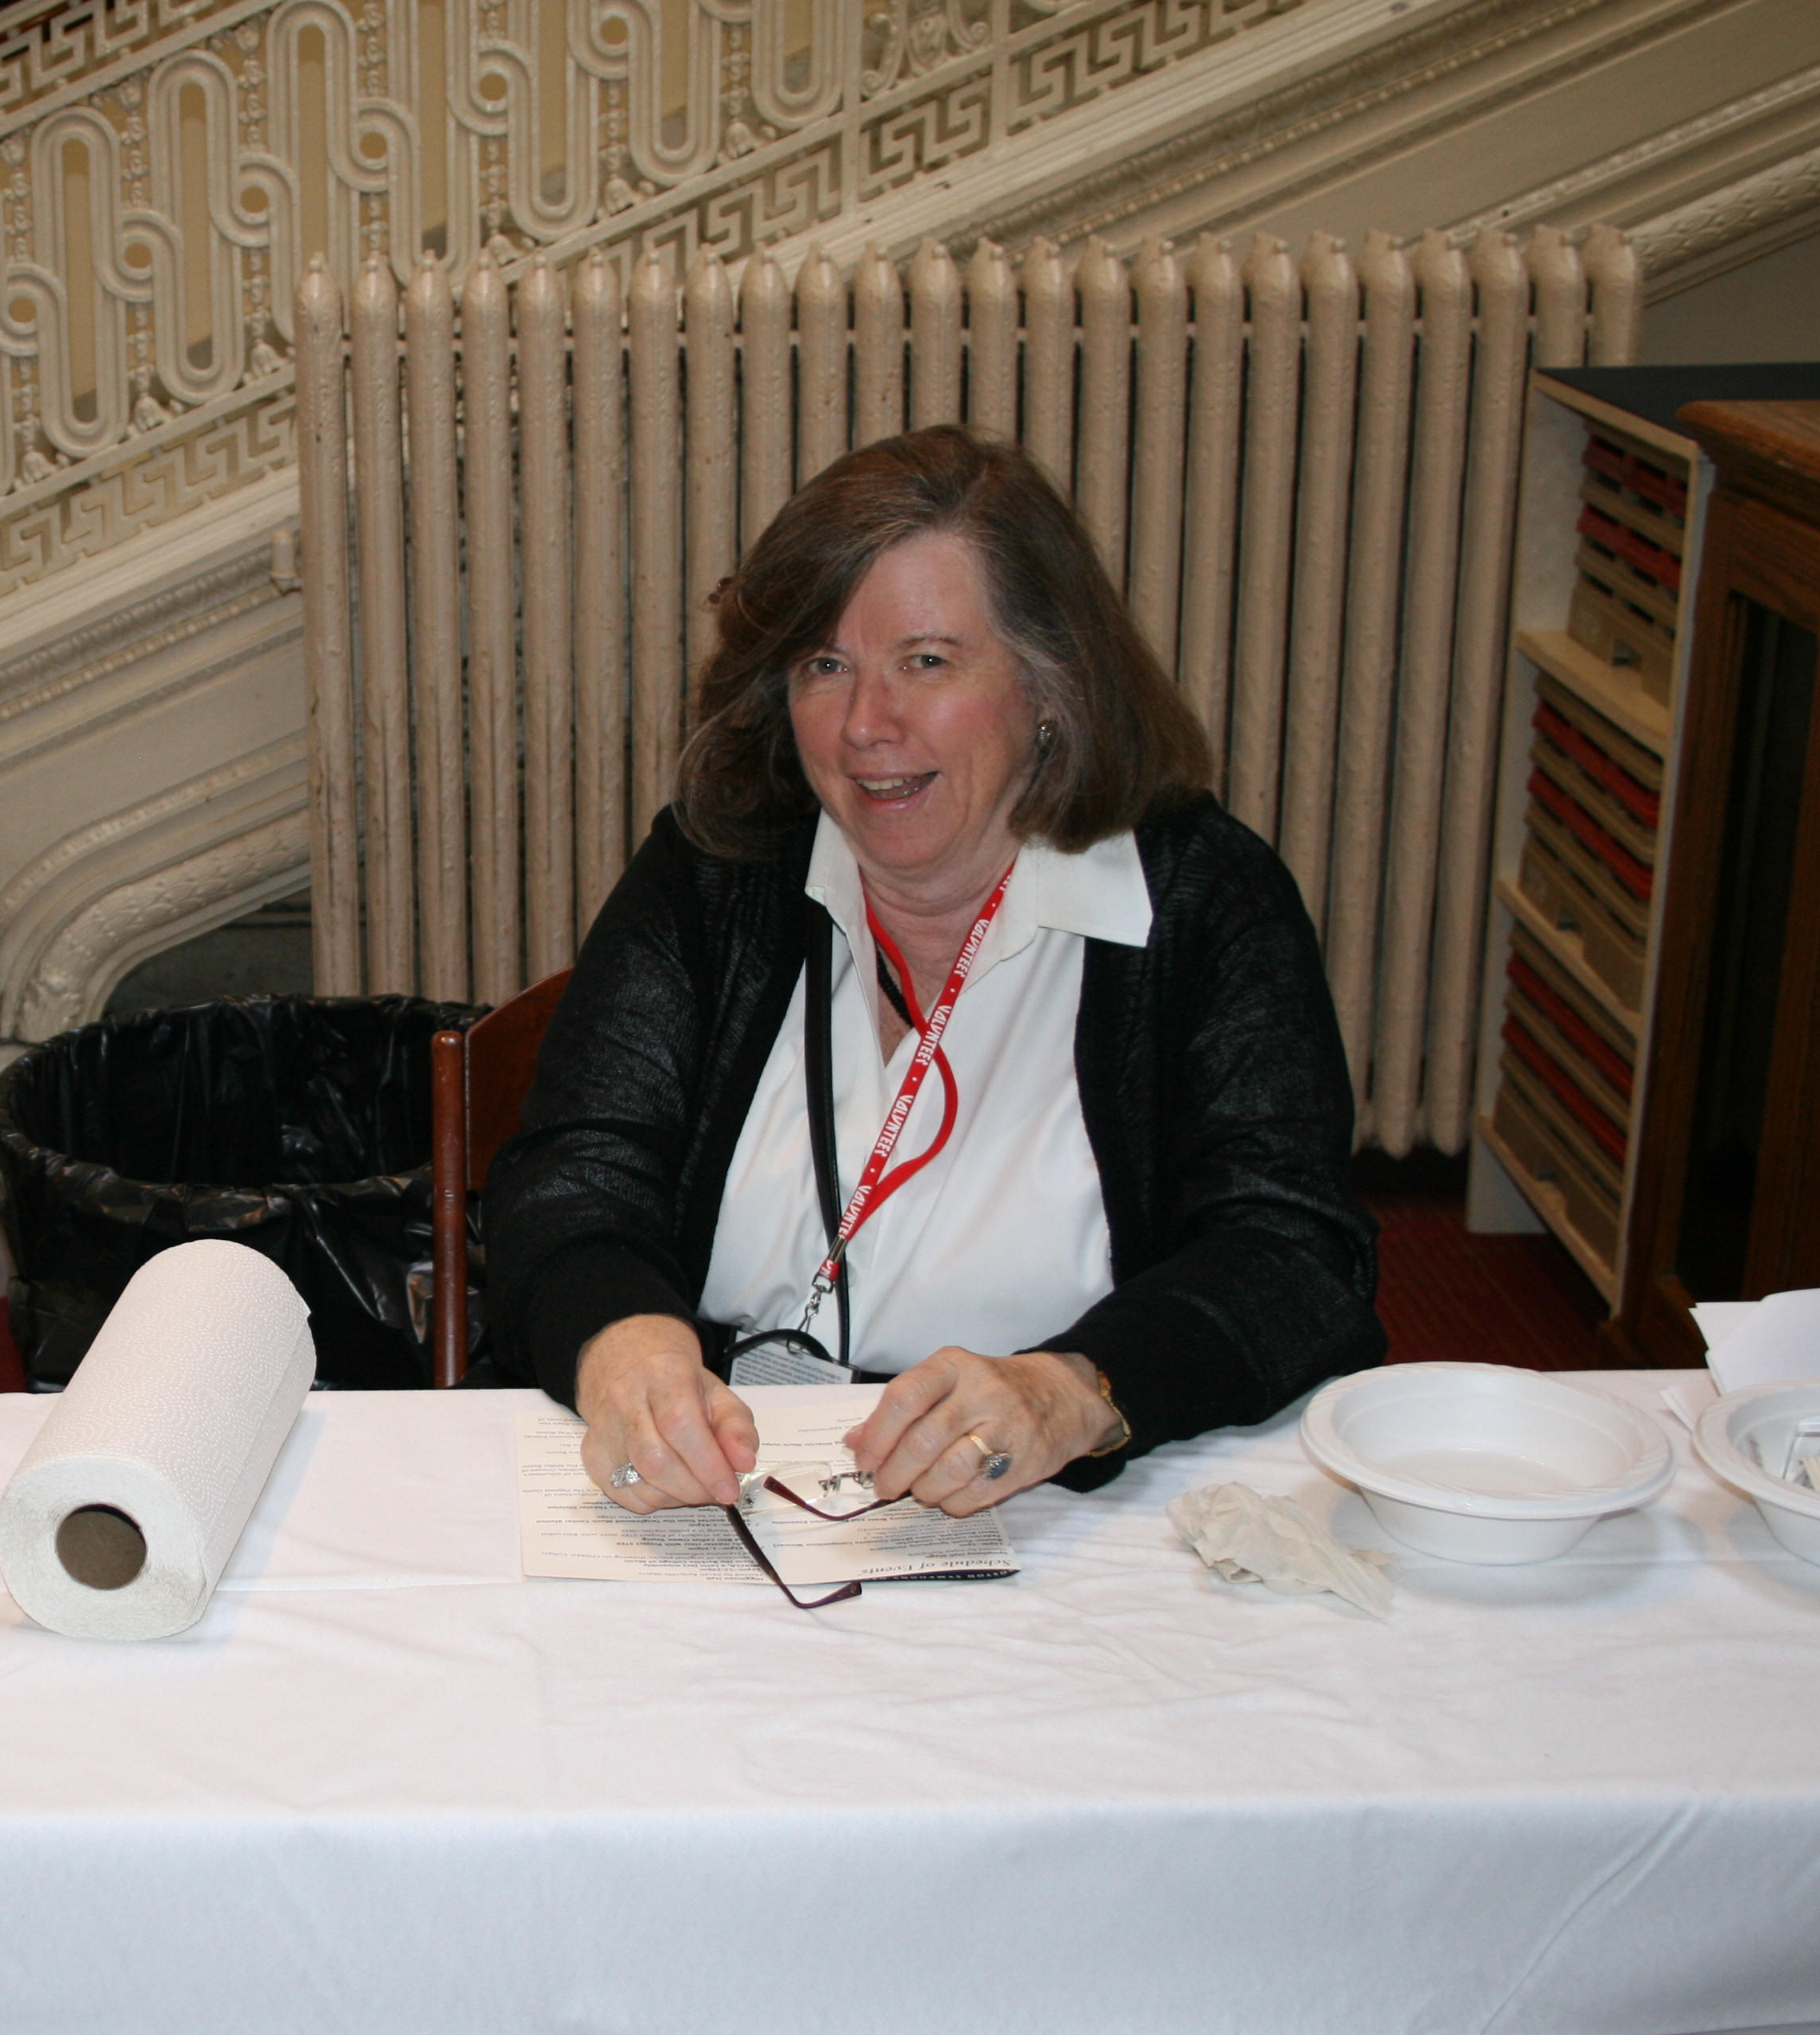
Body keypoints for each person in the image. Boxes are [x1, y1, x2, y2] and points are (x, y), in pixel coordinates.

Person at [483, 426, 1382, 1517]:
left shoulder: (1203, 899)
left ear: (1051, 682)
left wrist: (1076, 1389)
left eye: (928, 661)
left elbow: (1292, 1253)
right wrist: (622, 1342)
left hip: (1061, 1520)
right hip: (725, 1503)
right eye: (825, 665)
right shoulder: (716, 870)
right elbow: (576, 1171)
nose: (867, 725)